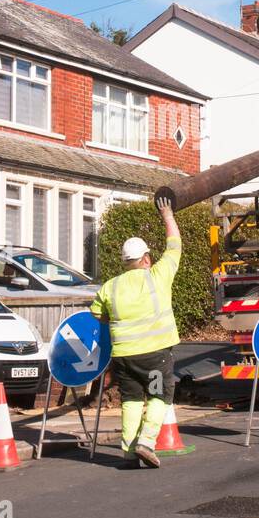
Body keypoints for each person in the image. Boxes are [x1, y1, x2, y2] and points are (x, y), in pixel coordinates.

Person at [90, 196, 181, 467]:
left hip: (124, 358)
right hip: (154, 355)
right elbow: (174, 245)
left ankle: (129, 453)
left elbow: (97, 314)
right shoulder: (158, 275)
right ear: (146, 258)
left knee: (130, 400)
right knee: (159, 394)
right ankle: (147, 442)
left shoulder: (110, 286)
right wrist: (167, 214)